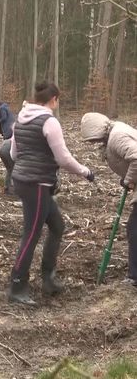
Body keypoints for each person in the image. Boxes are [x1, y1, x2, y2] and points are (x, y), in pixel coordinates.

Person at [8, 82, 94, 305]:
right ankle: (17, 287)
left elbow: (13, 153)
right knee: (31, 235)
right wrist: (85, 172)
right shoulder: (49, 121)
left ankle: (49, 278)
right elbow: (63, 158)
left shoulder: (21, 117)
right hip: (36, 184)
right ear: (54, 99)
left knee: (57, 225)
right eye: (58, 100)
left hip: (24, 180)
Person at [81, 112, 137, 287]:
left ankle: (134, 276)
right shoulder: (115, 132)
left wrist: (128, 180)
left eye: (93, 140)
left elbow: (136, 157)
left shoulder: (116, 136)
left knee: (134, 228)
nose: (93, 143)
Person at [0, 101, 15, 194]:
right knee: (13, 168)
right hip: (8, 145)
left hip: (7, 136)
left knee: (11, 168)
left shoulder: (2, 109)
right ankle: (11, 189)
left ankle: (7, 188)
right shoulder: (4, 108)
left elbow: (4, 117)